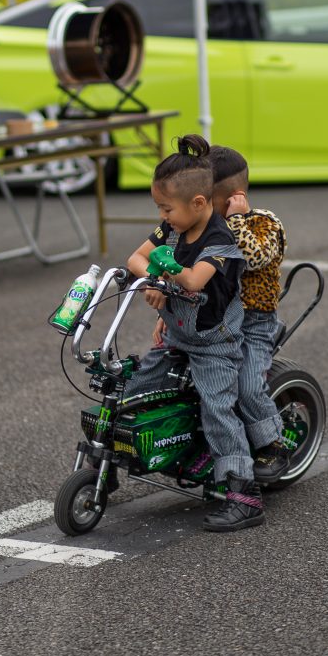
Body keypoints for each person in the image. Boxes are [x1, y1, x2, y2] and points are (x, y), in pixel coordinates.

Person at [125, 134, 265, 532]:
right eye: (160, 208)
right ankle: (132, 453)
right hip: (175, 335)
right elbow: (136, 258)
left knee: (218, 407)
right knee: (137, 386)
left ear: (199, 204)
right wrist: (152, 276)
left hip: (213, 344)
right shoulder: (171, 229)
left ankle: (244, 493)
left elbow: (193, 281)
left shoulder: (222, 241)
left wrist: (164, 272)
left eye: (166, 208)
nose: (163, 215)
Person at [207, 145, 290, 482]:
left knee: (247, 385)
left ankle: (273, 444)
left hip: (255, 324)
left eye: (207, 199)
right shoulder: (210, 227)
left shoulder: (263, 224)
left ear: (234, 198)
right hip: (218, 320)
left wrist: (237, 220)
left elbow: (252, 257)